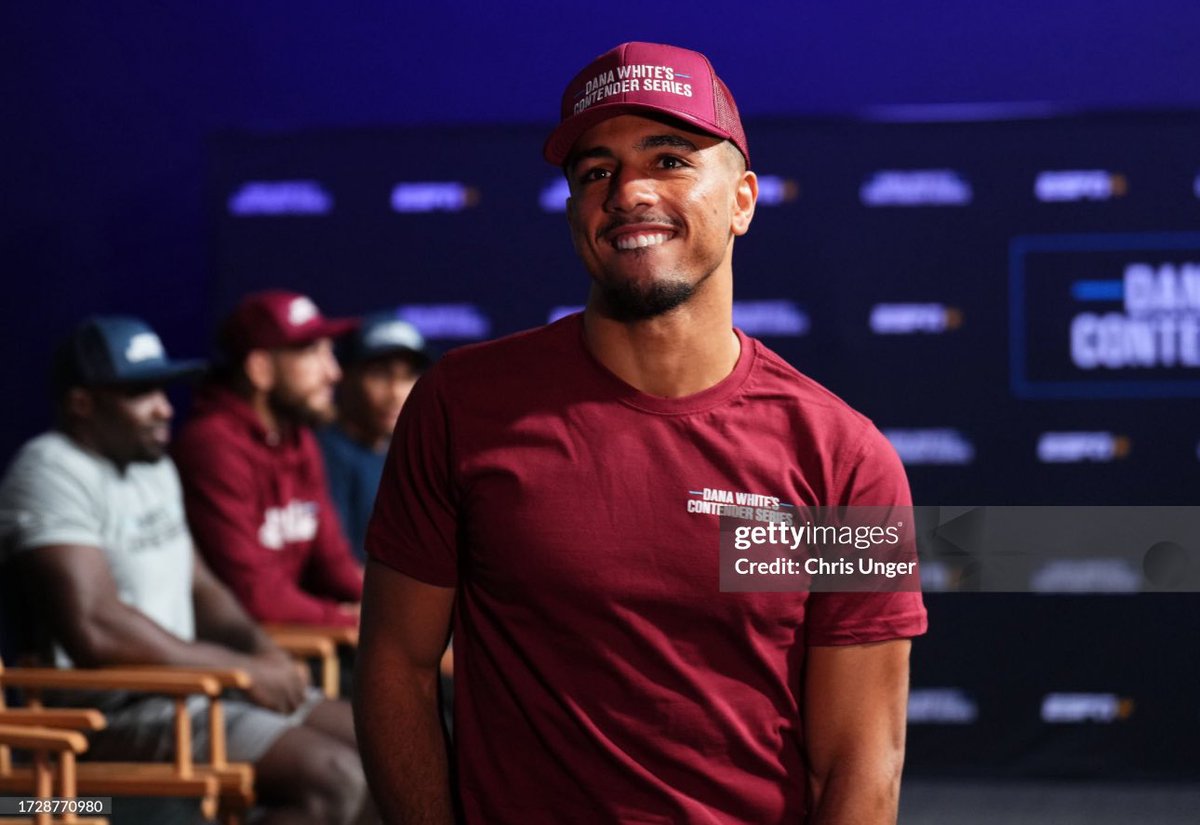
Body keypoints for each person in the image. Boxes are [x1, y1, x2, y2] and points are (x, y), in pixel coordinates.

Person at [356, 41, 928, 825]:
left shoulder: (846, 461)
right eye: (596, 171)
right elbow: (395, 665)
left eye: (669, 158)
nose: (629, 192)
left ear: (743, 201)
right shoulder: (461, 407)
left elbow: (863, 759)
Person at [0, 316, 370, 824]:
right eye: (140, 393)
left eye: (163, 389)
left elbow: (201, 587)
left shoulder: (153, 466)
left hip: (191, 689)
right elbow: (95, 626)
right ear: (81, 404)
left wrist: (260, 650)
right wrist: (237, 671)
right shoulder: (50, 470)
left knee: (386, 750)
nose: (164, 408)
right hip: (112, 711)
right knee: (335, 779)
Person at [174, 290, 364, 627]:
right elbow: (253, 594)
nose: (333, 373)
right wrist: (347, 621)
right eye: (312, 353)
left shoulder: (298, 438)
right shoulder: (212, 445)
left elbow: (333, 563)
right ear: (260, 369)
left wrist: (412, 608)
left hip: (295, 638)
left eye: (330, 353)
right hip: (233, 652)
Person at [317, 313, 434, 561]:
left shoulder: (411, 454)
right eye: (380, 375)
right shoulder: (320, 453)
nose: (396, 392)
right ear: (345, 376)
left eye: (407, 377)